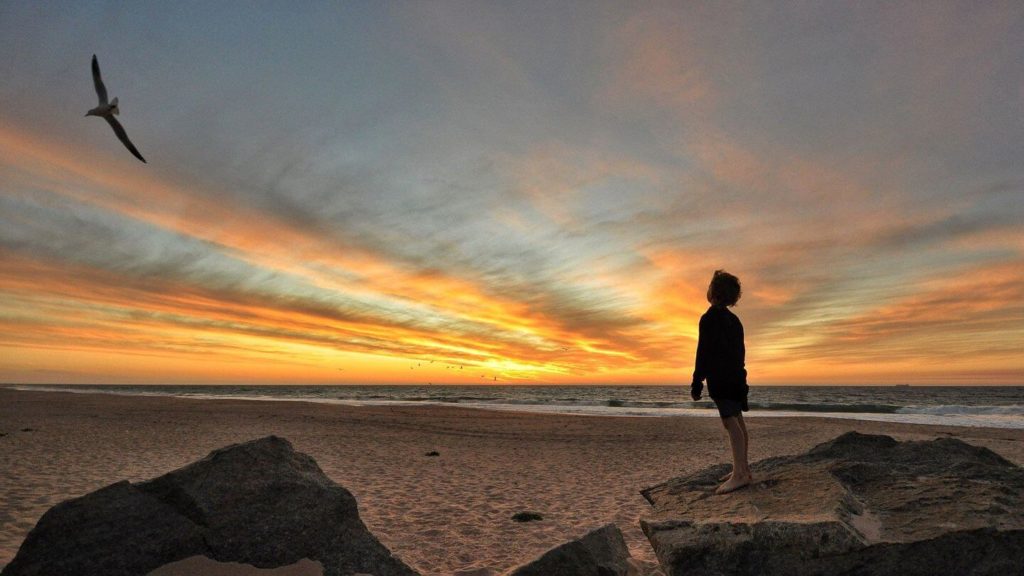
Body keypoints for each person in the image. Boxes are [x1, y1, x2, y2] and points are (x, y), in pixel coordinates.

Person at [691, 270, 751, 494]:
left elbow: (703, 351)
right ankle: (742, 467)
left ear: (713, 293)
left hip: (722, 377)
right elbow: (741, 353)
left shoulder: (709, 318)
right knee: (737, 419)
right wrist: (740, 377)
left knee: (730, 422)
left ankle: (740, 474)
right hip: (736, 377)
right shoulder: (734, 321)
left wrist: (697, 381)